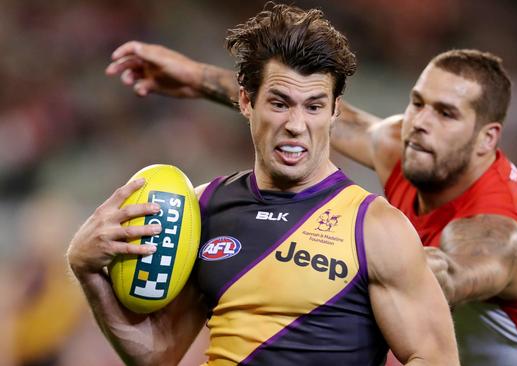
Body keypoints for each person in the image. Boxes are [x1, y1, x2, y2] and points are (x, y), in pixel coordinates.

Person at [106, 35, 517, 366]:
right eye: (418, 102)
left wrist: (353, 254)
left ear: (487, 139)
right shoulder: (411, 148)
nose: (420, 121)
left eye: (445, 113)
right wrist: (194, 77)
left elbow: (445, 274)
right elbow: (325, 113)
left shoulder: (500, 233)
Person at [68, 4, 459, 366]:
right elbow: (159, 353)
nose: (296, 124)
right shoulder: (203, 208)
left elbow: (436, 358)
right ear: (245, 101)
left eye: (314, 106)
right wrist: (87, 270)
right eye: (279, 102)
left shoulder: (376, 227)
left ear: (335, 111)